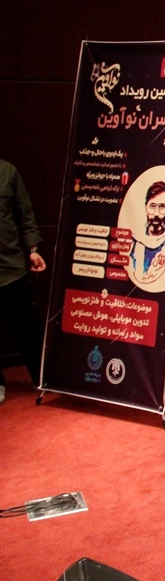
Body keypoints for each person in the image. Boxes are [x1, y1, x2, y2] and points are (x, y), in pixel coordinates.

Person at [0, 159, 47, 403]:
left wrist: (33, 249)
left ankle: (41, 377)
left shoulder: (8, 172)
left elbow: (25, 213)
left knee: (28, 328)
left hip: (11, 265)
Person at [129, 180, 165, 285]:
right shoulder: (133, 243)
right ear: (146, 208)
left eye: (162, 207)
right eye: (152, 207)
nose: (156, 213)